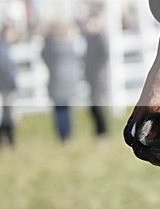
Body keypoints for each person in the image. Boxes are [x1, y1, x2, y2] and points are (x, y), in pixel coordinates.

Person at [41, 20, 79, 142]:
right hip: (68, 81)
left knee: (59, 110)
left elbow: (44, 56)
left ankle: (62, 135)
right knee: (66, 109)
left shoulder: (50, 46)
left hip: (56, 81)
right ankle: (68, 133)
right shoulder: (68, 44)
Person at [79, 7, 109, 138]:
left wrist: (97, 70)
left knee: (97, 105)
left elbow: (103, 56)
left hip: (97, 77)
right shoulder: (89, 38)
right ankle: (99, 131)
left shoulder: (99, 38)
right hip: (92, 76)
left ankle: (103, 131)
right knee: (93, 105)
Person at [0, 22, 18, 148]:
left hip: (6, 85)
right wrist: (12, 82)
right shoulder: (2, 48)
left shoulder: (4, 47)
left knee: (7, 113)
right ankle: (7, 139)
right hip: (6, 86)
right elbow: (5, 69)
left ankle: (5, 139)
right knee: (8, 114)